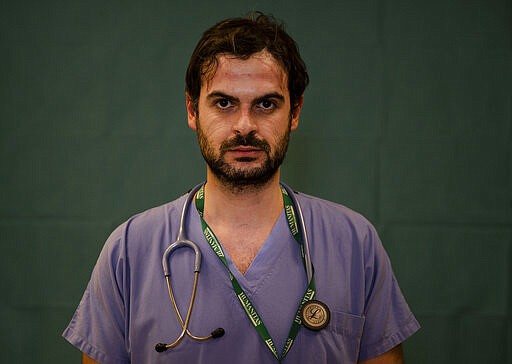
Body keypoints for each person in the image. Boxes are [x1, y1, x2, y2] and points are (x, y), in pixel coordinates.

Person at [63, 12, 420, 364]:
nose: (245, 126)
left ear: (294, 113)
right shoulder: (129, 250)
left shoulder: (355, 244)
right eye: (224, 103)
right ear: (192, 110)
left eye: (266, 104)